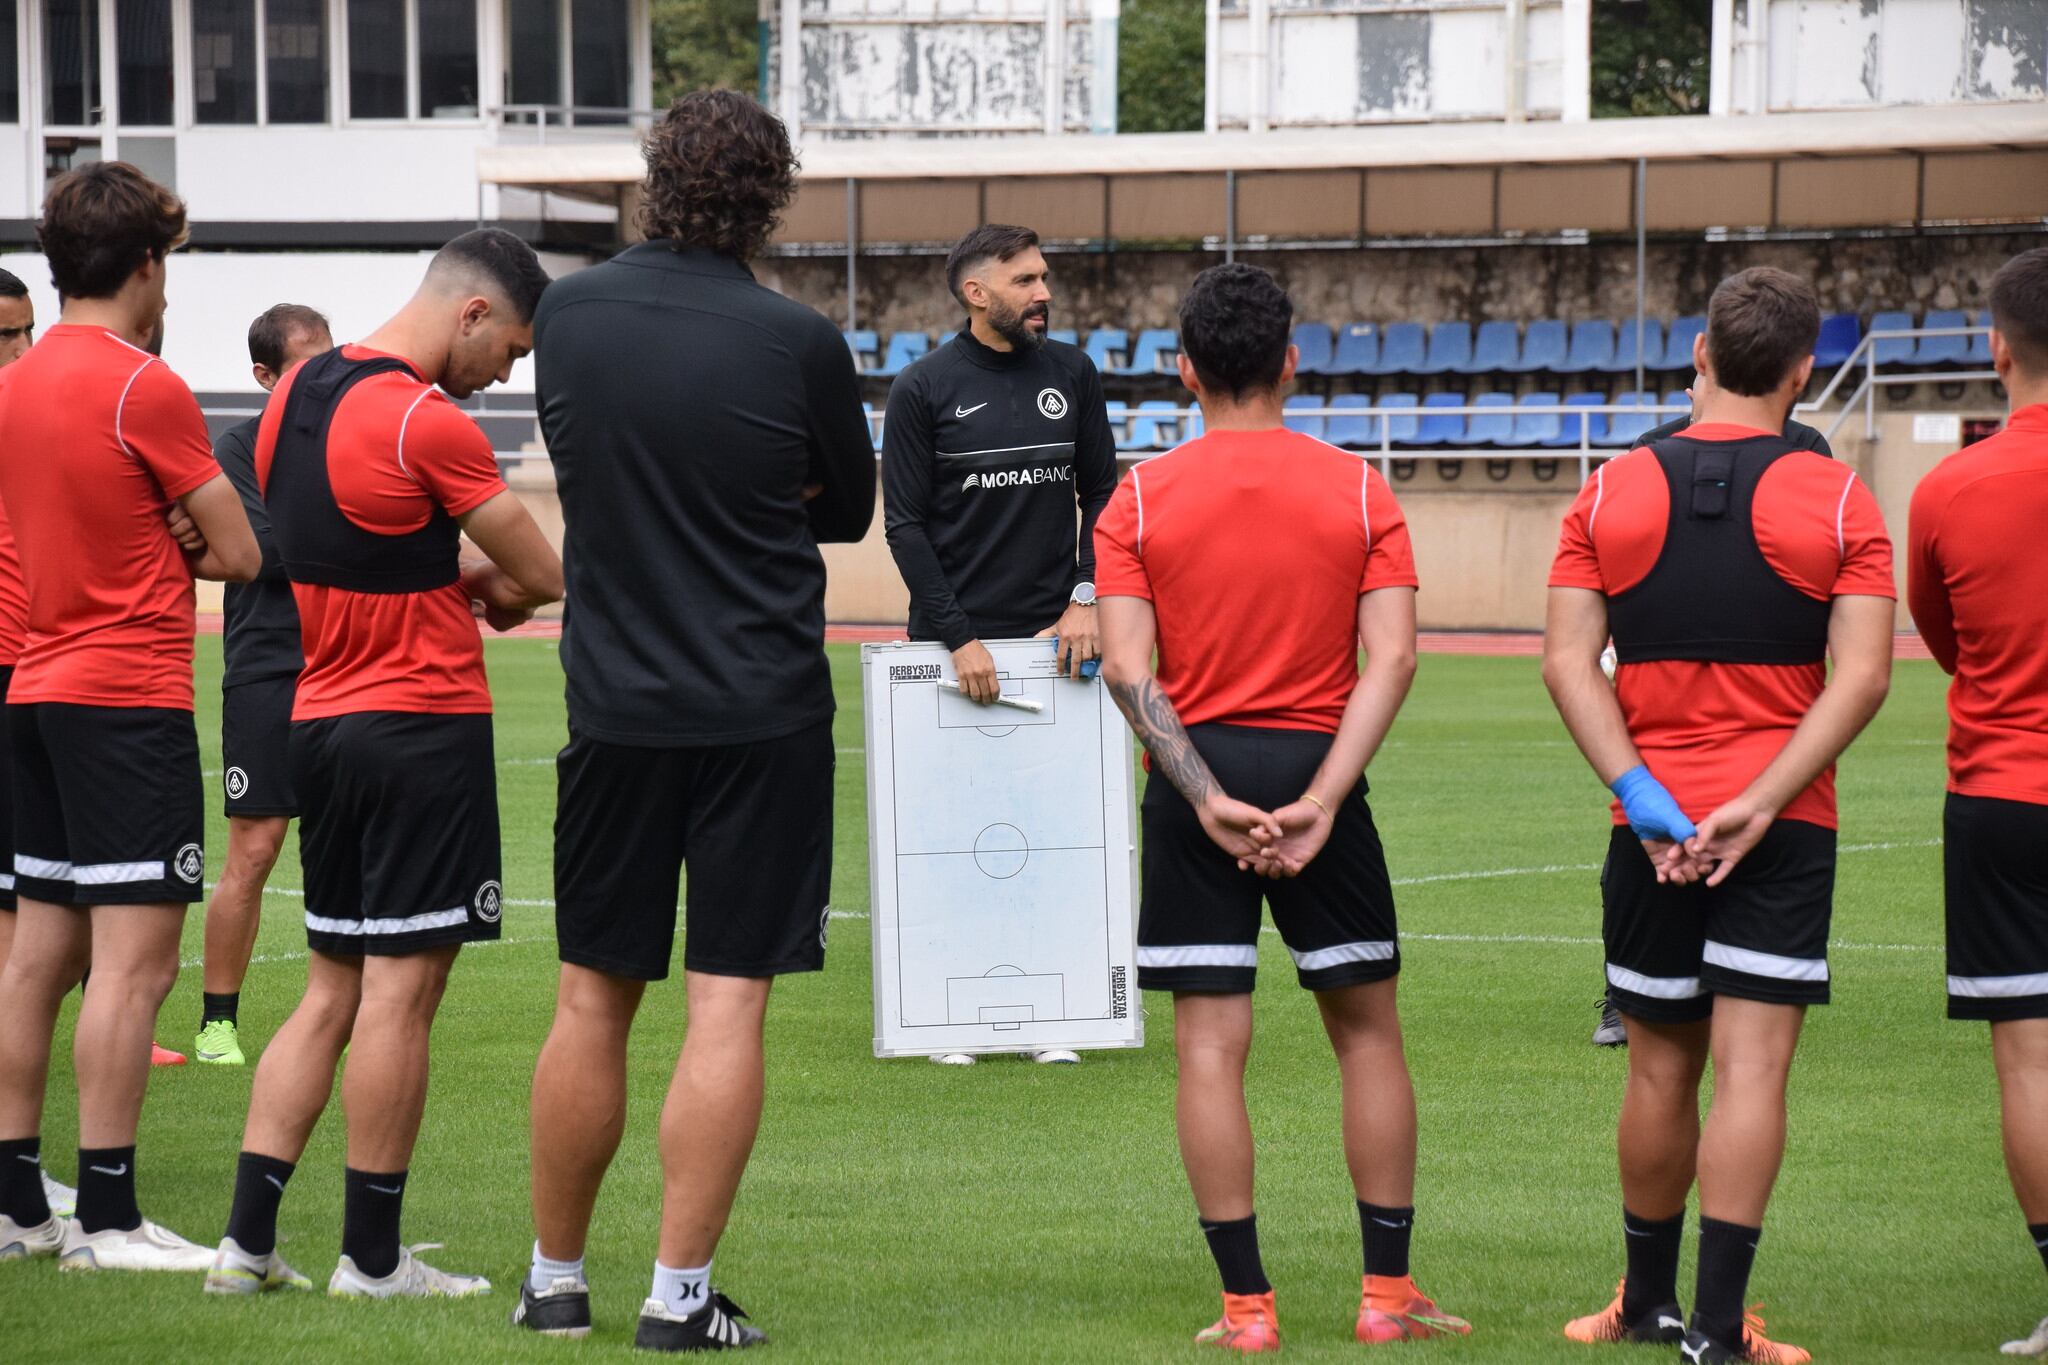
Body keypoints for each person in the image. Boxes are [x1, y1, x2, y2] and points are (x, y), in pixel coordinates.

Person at [519, 90, 873, 1350]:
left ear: (655, 180)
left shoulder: (569, 315)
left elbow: (590, 453)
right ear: (770, 198)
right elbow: (845, 511)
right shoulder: (797, 340)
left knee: (590, 997)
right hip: (760, 707)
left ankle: (555, 1282)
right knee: (726, 1004)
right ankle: (675, 1299)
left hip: (615, 703)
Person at [1096, 262, 1470, 1353]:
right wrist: (1321, 797)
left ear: (1184, 371)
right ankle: (1386, 1296)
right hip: (1320, 769)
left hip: (1193, 776)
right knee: (1367, 1036)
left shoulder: (1137, 498)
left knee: (1210, 1047)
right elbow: (1393, 658)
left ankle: (1247, 1311)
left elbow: (1126, 668)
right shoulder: (1359, 490)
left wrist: (1206, 796)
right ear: (1291, 364)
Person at [1543, 266, 1894, 1364]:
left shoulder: (1609, 488)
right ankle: (1711, 1329)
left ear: (1700, 354)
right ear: (1802, 372)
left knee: (1657, 1068)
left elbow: (1565, 663)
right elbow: (1864, 676)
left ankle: (1646, 1304)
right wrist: (1759, 802)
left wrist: (1645, 798)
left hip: (1648, 834)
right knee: (1751, 1072)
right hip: (1781, 826)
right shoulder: (1839, 497)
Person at [205, 229, 562, 1299]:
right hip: (419, 726)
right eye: (510, 350)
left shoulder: (289, 401)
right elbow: (540, 573)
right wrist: (484, 584)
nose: (504, 373)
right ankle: (370, 1261)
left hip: (317, 717)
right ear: (472, 313)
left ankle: (245, 1247)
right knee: (401, 997)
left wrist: (452, 572)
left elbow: (368, 540)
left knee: (330, 989)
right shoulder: (425, 419)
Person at [0, 163, 261, 1271]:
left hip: (34, 687)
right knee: (135, 967)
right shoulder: (142, 386)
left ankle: (17, 1206)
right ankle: (106, 1219)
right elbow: (239, 551)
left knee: (34, 957)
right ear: (147, 265)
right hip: (125, 697)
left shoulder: (13, 384)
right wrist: (178, 531)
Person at [881, 222, 1119, 1066]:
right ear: (976, 294)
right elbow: (904, 525)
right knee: (957, 839)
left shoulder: (1073, 374)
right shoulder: (923, 388)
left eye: (1043, 276)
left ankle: (1054, 1012)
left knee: (1049, 836)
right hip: (957, 653)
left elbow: (1104, 495)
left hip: (1057, 648)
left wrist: (1086, 596)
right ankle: (951, 1018)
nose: (1043, 292)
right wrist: (960, 637)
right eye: (1024, 280)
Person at [1905, 246, 2048, 1359]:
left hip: (2003, 790)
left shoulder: (1948, 488)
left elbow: (1945, 639)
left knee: (2030, 1059)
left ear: (1996, 349)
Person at [1590, 406, 1833, 1049]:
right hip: (1673, 736)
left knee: (1669, 1068)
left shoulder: (1806, 449)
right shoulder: (1649, 451)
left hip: (1761, 737)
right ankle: (1622, 995)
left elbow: (1564, 660)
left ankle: (1710, 995)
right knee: (1634, 866)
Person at [193, 303, 334, 1067]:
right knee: (255, 848)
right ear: (264, 375)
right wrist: (353, 540)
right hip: (267, 667)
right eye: (306, 366)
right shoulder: (239, 446)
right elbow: (261, 551)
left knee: (343, 844)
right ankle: (217, 1021)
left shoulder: (351, 434)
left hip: (347, 663)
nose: (323, 379)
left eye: (329, 361)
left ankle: (335, 1007)